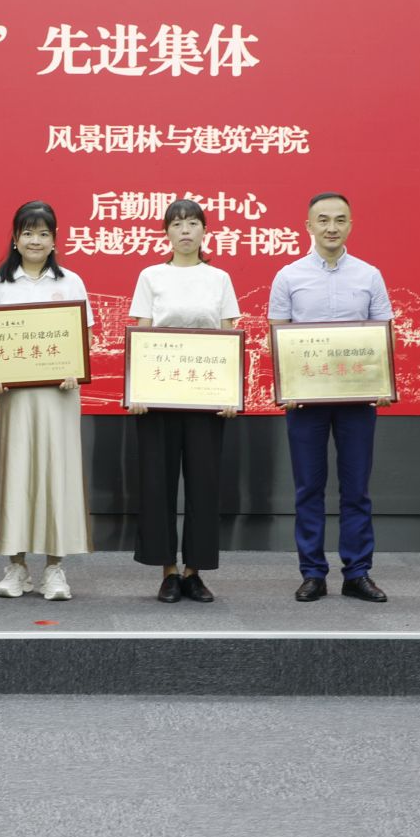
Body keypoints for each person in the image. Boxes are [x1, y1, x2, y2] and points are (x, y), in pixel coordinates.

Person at [268, 191, 394, 603]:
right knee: (309, 488)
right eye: (323, 220)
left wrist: (383, 383)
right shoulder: (289, 276)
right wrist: (286, 387)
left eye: (340, 219)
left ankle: (357, 573)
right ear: (308, 226)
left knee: (356, 489)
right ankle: (312, 573)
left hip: (357, 400)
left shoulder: (369, 275)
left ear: (351, 225)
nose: (331, 227)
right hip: (306, 402)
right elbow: (277, 336)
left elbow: (384, 334)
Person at [129, 197, 240, 603]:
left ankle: (194, 571)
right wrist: (137, 392)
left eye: (193, 223)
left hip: (205, 398)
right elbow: (141, 334)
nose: (185, 231)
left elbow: (229, 337)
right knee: (157, 484)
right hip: (158, 398)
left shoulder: (219, 278)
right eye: (177, 224)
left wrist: (231, 394)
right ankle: (168, 572)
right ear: (167, 232)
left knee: (204, 484)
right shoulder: (151, 276)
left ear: (205, 231)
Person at [0, 200, 93, 601]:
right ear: (15, 239)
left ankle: (54, 568)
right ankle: (16, 567)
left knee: (56, 475)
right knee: (15, 475)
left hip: (59, 395)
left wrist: (75, 366)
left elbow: (84, 338)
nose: (35, 240)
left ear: (54, 240)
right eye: (27, 232)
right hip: (14, 397)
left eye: (43, 233)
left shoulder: (72, 282)